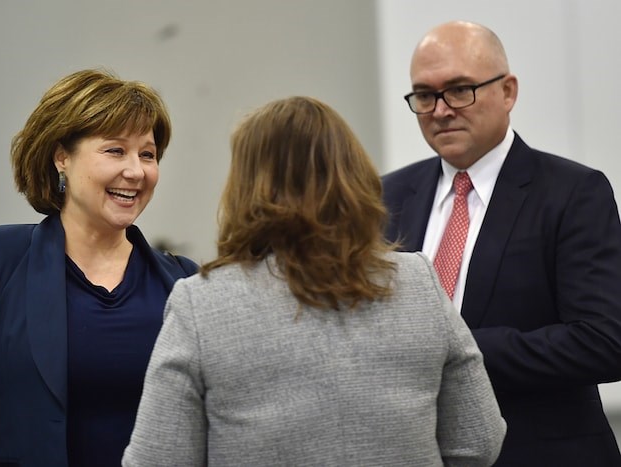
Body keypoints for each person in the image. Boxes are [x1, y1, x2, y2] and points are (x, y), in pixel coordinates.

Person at [122, 96, 506, 466]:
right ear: (354, 176)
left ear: (245, 187)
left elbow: (158, 458)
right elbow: (478, 441)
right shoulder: (418, 282)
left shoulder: (201, 304)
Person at [0, 69, 198, 467]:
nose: (136, 171)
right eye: (115, 151)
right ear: (61, 157)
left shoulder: (183, 282)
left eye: (148, 154)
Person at [381, 20, 621, 466]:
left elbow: (604, 342)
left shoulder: (572, 193)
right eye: (424, 95)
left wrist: (456, 348)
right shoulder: (383, 198)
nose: (440, 110)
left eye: (459, 90)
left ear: (508, 92)